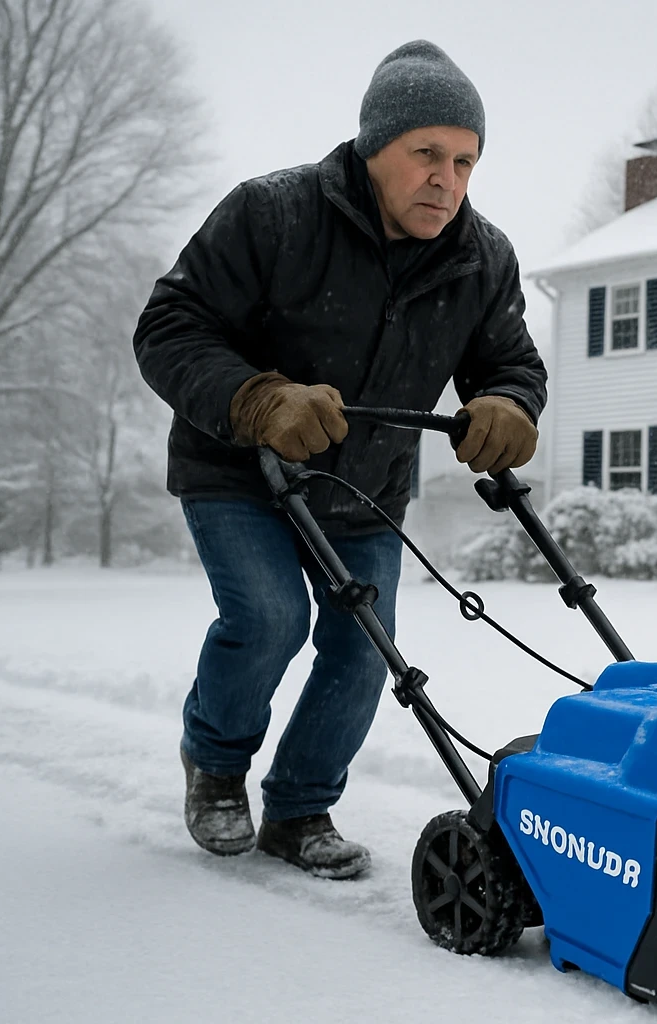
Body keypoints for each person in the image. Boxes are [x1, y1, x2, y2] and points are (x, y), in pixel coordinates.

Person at [133, 40, 546, 880]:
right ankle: (215, 769)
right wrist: (256, 399)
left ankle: (299, 807)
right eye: (426, 153)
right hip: (237, 471)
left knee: (365, 645)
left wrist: (509, 405)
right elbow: (168, 327)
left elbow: (509, 363)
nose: (447, 178)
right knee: (272, 617)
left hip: (366, 485)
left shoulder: (482, 257)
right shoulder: (271, 214)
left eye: (465, 160)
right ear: (373, 148)